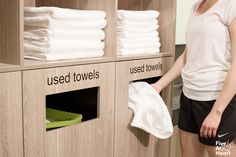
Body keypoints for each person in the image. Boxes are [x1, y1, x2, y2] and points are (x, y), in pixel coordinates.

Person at [151, 0, 236, 156]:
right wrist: (159, 85)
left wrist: (216, 112)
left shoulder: (231, 5)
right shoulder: (195, 7)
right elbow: (187, 56)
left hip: (216, 100)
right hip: (189, 97)